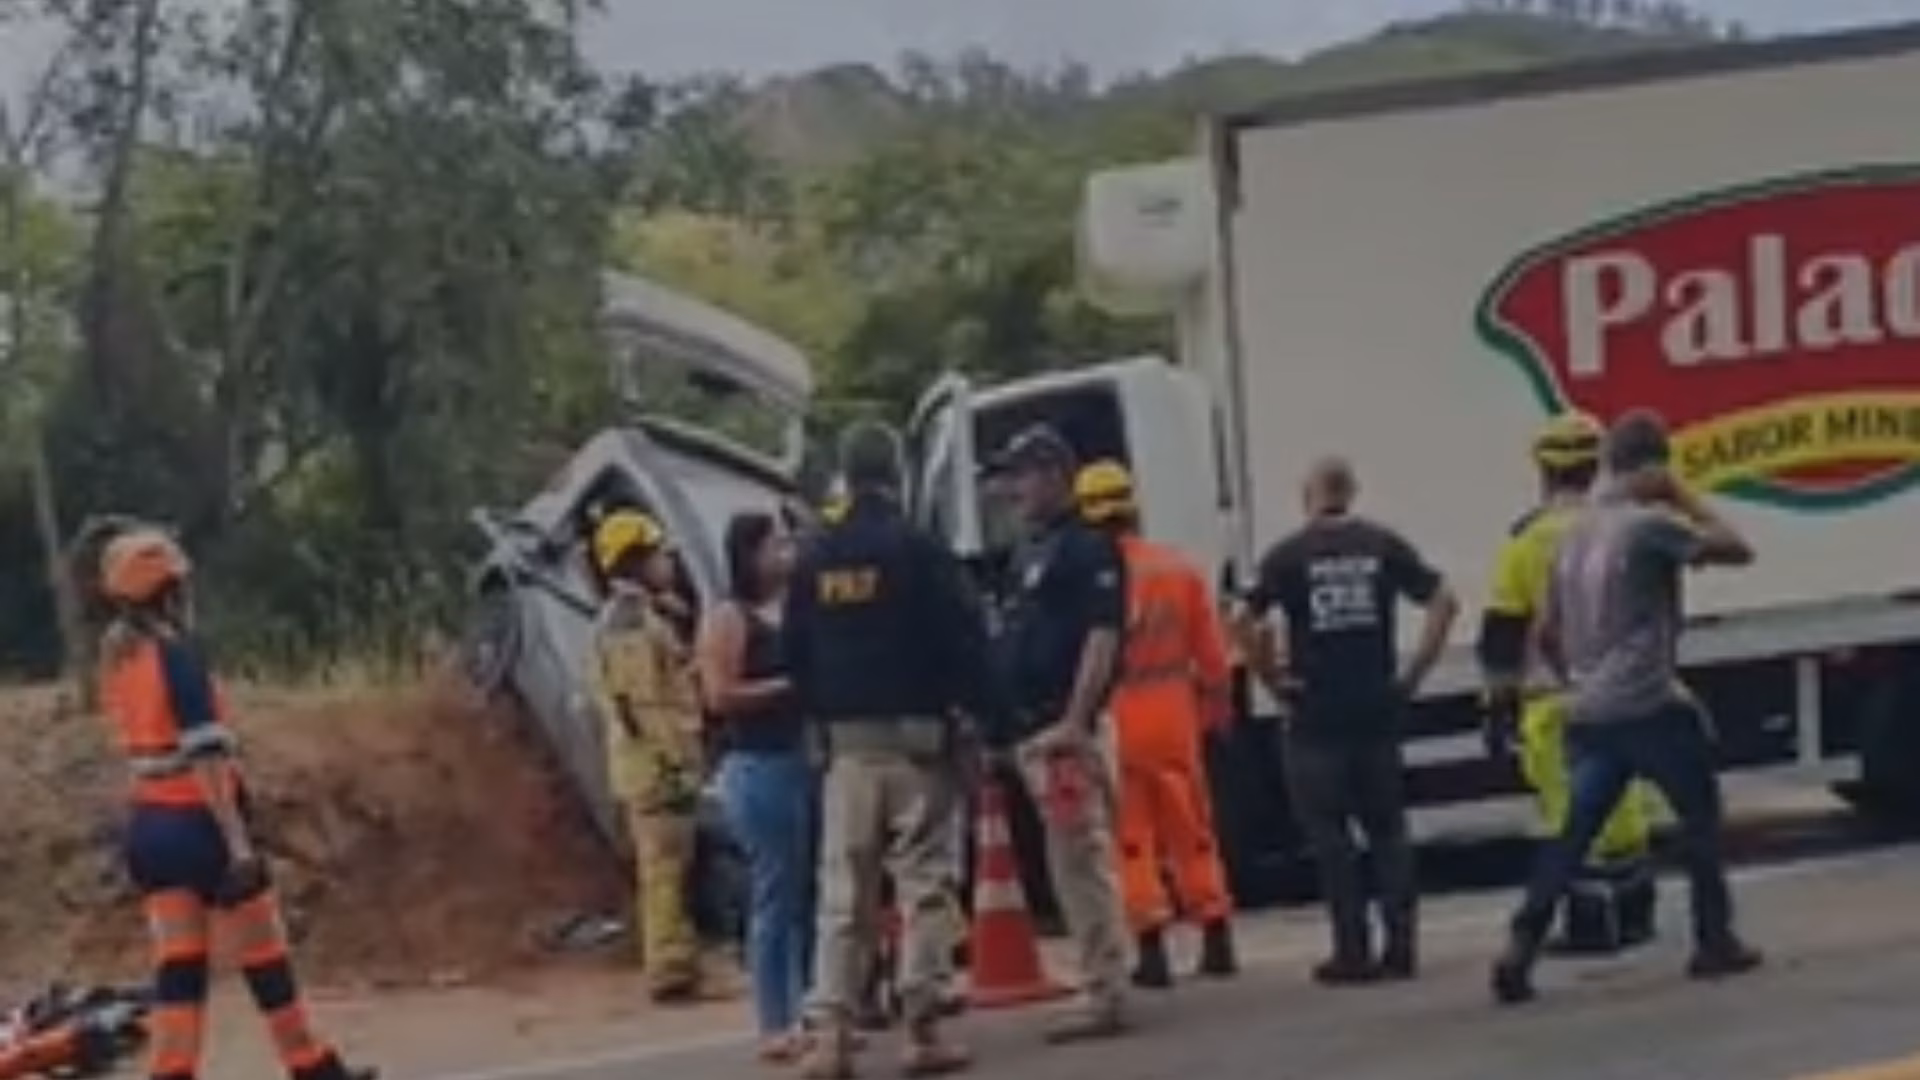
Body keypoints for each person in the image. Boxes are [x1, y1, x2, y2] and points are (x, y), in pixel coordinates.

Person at [1492, 410, 1764, 1005]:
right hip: (1650, 702)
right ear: (1652, 468)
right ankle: (1714, 940)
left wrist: (1580, 680)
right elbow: (1740, 549)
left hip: (1590, 708)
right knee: (1699, 816)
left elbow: (1544, 633)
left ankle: (1522, 940)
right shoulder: (1649, 526)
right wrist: (1683, 495)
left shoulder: (1570, 534)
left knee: (1575, 831)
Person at [90, 523, 374, 1080]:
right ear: (166, 591)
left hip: (150, 828)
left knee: (180, 970)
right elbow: (207, 754)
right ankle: (313, 1068)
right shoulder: (179, 655)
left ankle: (172, 1073)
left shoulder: (118, 660)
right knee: (266, 960)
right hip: (199, 824)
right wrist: (237, 842)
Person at [786, 420, 985, 1079]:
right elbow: (962, 639)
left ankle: (832, 1039)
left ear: (846, 476)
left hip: (845, 752)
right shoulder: (918, 549)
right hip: (918, 746)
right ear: (896, 475)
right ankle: (921, 1029)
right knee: (924, 885)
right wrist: (984, 719)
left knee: (844, 895)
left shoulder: (814, 557)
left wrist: (815, 721)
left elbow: (796, 653)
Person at [1238, 457, 1458, 985]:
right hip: (1376, 707)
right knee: (1388, 830)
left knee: (1331, 837)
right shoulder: (1381, 545)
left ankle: (1352, 951)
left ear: (1307, 495)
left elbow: (1241, 619)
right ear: (1351, 493)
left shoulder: (1287, 556)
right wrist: (1416, 672)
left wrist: (1271, 680)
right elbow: (1444, 601)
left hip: (1316, 715)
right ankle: (1402, 947)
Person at [1478, 412, 1658, 954]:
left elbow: (1502, 634)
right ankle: (1635, 912)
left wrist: (1497, 705)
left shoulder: (1525, 542)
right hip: (1624, 693)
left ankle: (1588, 923)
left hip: (1556, 700)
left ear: (1543, 470)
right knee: (1624, 807)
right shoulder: (1628, 528)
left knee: (1569, 814)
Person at [987, 424, 1133, 1042]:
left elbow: (1101, 638)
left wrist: (1075, 720)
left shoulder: (1086, 550)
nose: (1012, 489)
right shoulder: (1031, 549)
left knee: (1079, 859)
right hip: (1032, 728)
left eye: (1021, 475)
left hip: (1062, 729)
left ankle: (1105, 990)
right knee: (1065, 857)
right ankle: (1100, 976)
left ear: (1053, 474)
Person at [1073, 459, 1238, 989]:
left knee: (1132, 836)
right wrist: (1218, 709)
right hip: (1174, 711)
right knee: (1191, 826)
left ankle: (1151, 950)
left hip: (1116, 712)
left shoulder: (1087, 578)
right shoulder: (1177, 568)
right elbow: (1213, 655)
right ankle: (1216, 934)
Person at [696, 511, 816, 1062]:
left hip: (800, 758)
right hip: (758, 764)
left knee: (805, 890)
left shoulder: (795, 609)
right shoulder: (729, 616)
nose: (786, 555)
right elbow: (718, 695)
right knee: (774, 893)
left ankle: (811, 1007)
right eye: (776, 546)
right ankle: (775, 1018)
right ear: (748, 554)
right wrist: (788, 688)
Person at [588, 510, 706, 1003]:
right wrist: (672, 763)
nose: (668, 562)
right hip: (656, 766)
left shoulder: (642, 615)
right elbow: (639, 704)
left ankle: (677, 958)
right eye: (658, 554)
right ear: (635, 562)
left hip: (655, 763)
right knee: (663, 868)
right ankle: (670, 968)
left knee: (669, 865)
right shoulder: (629, 622)